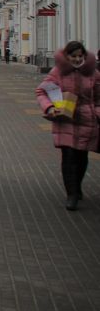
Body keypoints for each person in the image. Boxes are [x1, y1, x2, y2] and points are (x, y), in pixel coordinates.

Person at [35, 41, 99, 211]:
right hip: (65, 118)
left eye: (80, 56)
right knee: (69, 155)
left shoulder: (93, 73)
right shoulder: (57, 72)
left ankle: (77, 186)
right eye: (74, 56)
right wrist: (49, 108)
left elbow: (98, 98)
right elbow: (42, 91)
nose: (77, 59)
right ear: (67, 56)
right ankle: (71, 195)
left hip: (87, 120)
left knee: (81, 156)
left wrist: (97, 113)